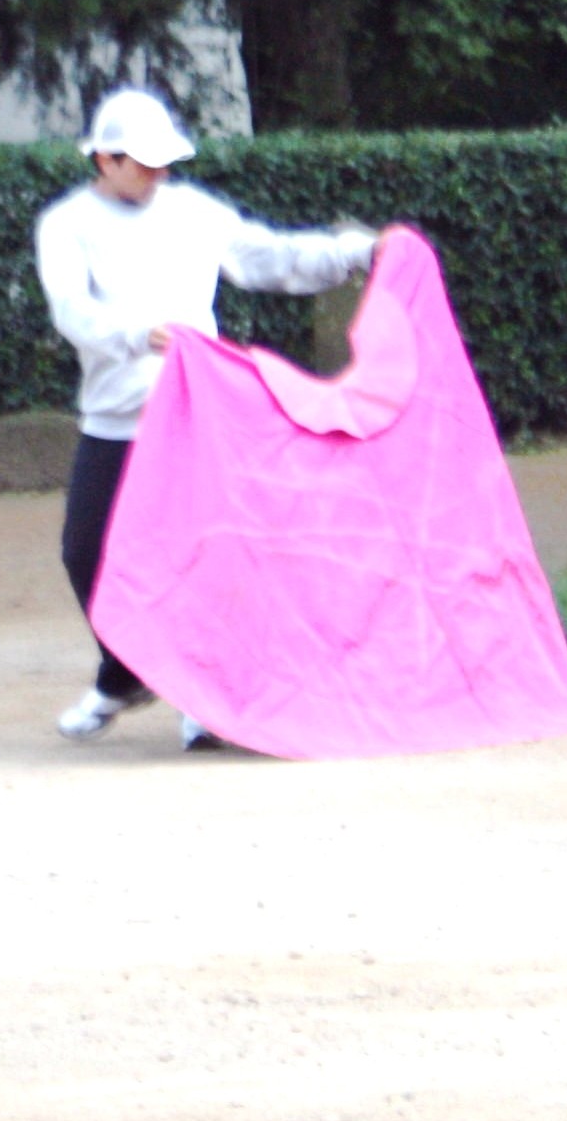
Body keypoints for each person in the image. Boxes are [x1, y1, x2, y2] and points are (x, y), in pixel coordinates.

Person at [34, 86, 379, 744]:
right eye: (143, 162)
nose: (158, 172)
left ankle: (207, 703)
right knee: (87, 553)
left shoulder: (193, 212)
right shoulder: (66, 224)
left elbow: (271, 258)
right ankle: (124, 675)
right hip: (116, 420)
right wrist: (138, 335)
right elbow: (72, 311)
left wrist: (354, 253)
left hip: (197, 417)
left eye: (163, 160)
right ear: (105, 159)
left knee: (209, 560)